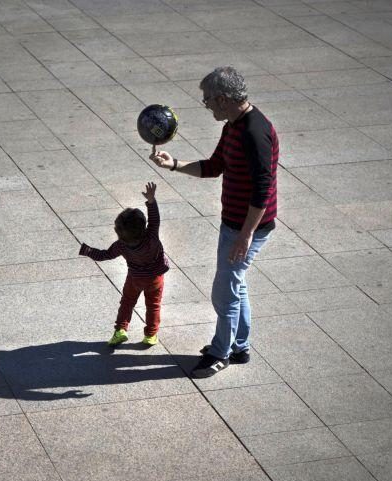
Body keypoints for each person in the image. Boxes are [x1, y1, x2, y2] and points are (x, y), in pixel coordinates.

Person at [150, 66, 279, 378]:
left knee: (223, 291)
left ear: (223, 99)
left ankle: (221, 353)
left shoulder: (254, 133)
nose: (205, 104)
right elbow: (215, 166)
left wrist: (245, 236)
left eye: (207, 100)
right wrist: (175, 164)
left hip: (248, 227)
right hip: (234, 223)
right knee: (235, 285)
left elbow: (264, 190)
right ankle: (240, 346)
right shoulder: (233, 126)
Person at [78, 181, 170, 347]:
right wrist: (151, 200)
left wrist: (88, 250)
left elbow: (105, 255)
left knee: (127, 302)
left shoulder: (121, 245)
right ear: (143, 227)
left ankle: (120, 330)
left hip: (134, 279)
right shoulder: (151, 237)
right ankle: (150, 335)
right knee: (153, 305)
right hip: (156, 279)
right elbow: (155, 219)